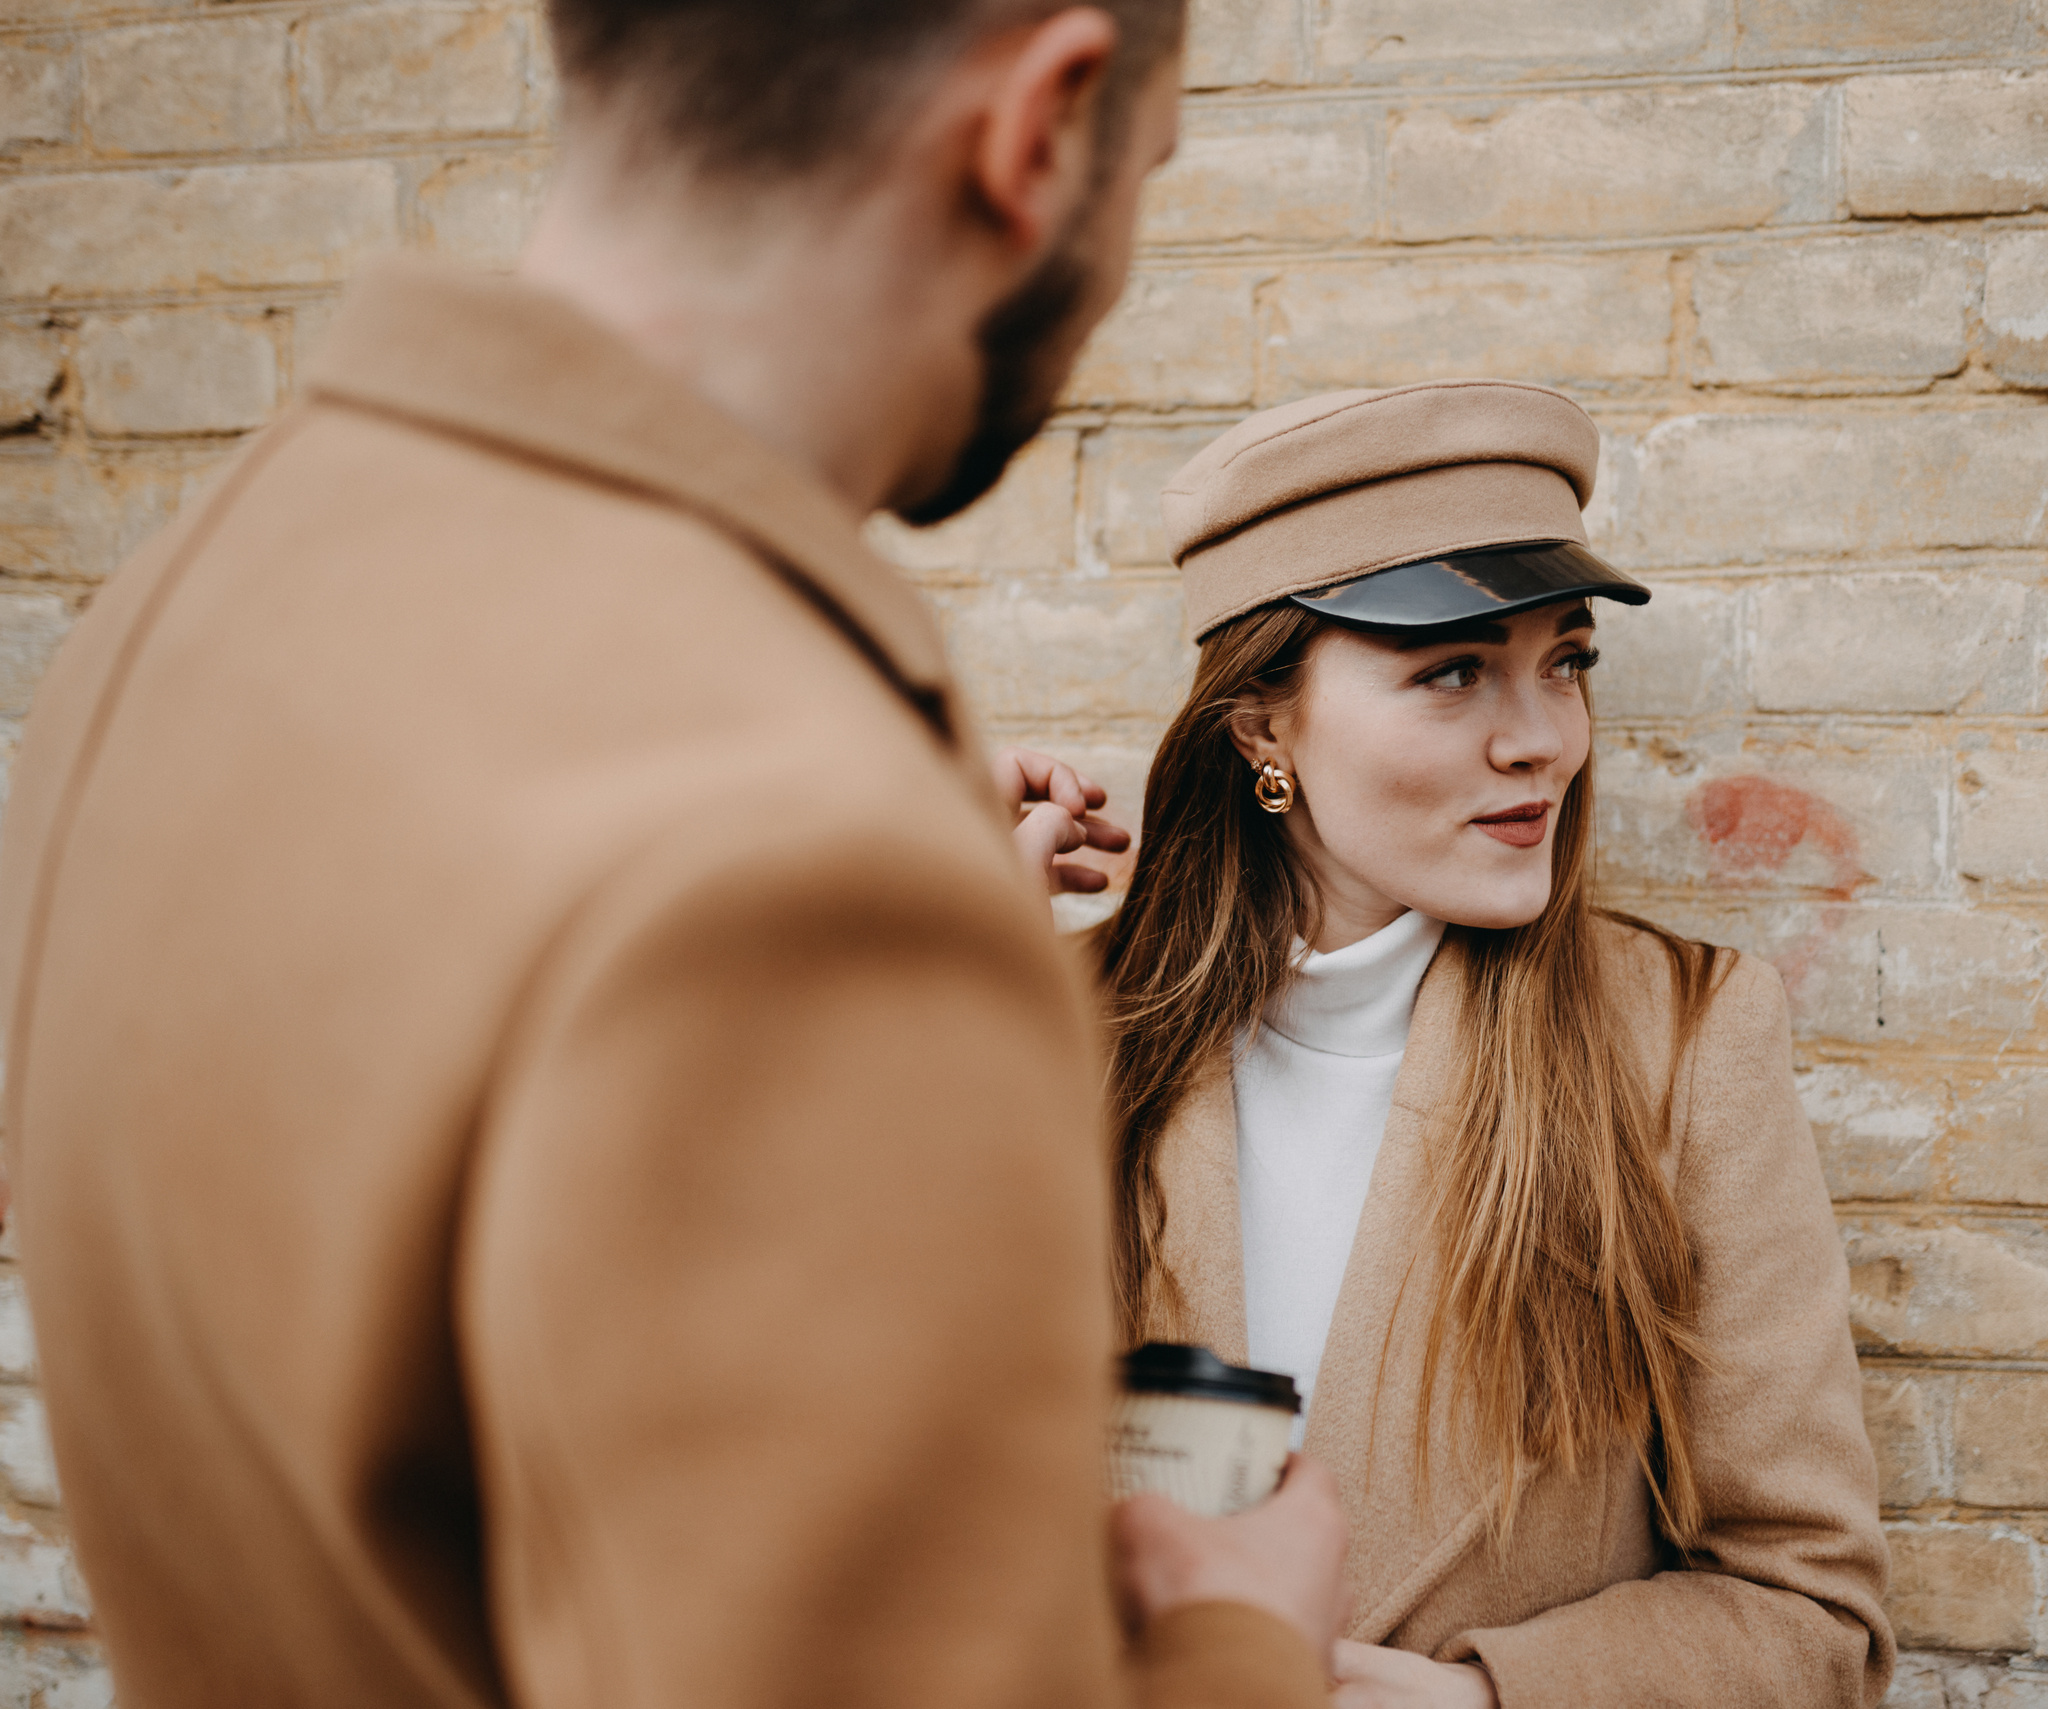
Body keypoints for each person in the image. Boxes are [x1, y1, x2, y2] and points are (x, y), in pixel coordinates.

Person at [0, 3, 1348, 1706]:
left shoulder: (176, 605)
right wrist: (1239, 1640)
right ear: (1041, 127)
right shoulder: (803, 862)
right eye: (1145, 172)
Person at [1066, 380, 1895, 1707]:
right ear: (1264, 724)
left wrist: (1488, 1699)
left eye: (1567, 661)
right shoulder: (1053, 1033)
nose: (1545, 741)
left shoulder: (1680, 1042)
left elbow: (1812, 1613)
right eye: (1452, 671)